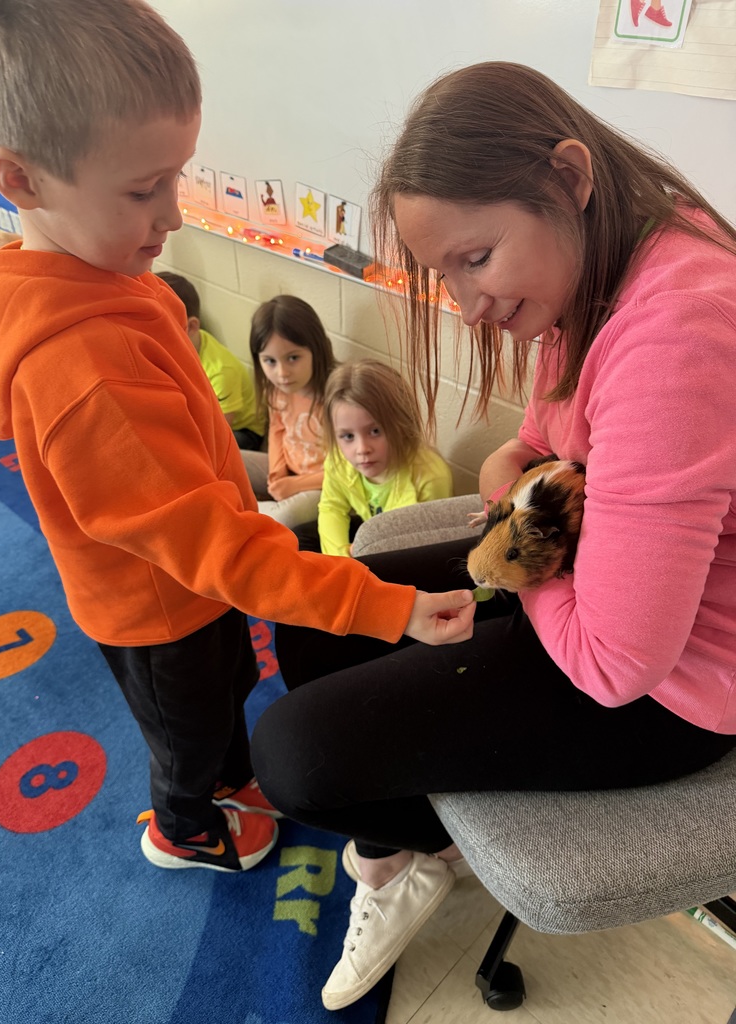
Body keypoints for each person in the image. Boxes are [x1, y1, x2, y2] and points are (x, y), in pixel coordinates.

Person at [249, 60, 736, 1010]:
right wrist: (517, 456)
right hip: (590, 583)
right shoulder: (613, 246)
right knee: (314, 616)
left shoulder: (679, 327)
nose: (469, 308)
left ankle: (400, 854)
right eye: (447, 275)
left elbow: (613, 665)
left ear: (569, 176)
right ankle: (405, 852)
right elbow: (556, 431)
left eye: (476, 260)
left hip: (667, 685)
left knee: (293, 757)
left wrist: (512, 564)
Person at [0, 0, 475, 879]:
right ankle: (186, 830)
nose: (176, 212)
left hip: (186, 577)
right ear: (20, 180)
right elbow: (215, 551)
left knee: (225, 690)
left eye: (177, 176)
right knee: (187, 734)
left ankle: (225, 778)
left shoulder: (88, 275)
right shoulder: (83, 371)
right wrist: (383, 606)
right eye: (142, 190)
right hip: (158, 604)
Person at [295, 358, 453, 555]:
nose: (362, 449)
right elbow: (332, 508)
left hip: (406, 548)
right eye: (348, 436)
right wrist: (341, 559)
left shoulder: (430, 477)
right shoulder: (338, 458)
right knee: (297, 539)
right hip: (370, 531)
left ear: (402, 425)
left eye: (375, 431)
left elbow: (425, 544)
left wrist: (365, 558)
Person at [241, 294, 336, 528]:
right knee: (224, 458)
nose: (282, 373)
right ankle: (244, 516)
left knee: (284, 518)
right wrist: (276, 473)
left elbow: (348, 469)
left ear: (316, 348)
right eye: (270, 361)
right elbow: (277, 431)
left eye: (293, 358)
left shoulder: (337, 394)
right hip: (289, 473)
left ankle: (248, 520)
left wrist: (295, 485)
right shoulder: (278, 389)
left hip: (325, 486)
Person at [155, 271, 266, 450]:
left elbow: (221, 431)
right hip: (204, 414)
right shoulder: (189, 343)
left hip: (242, 430)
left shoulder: (221, 371)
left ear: (191, 327)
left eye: (164, 331)